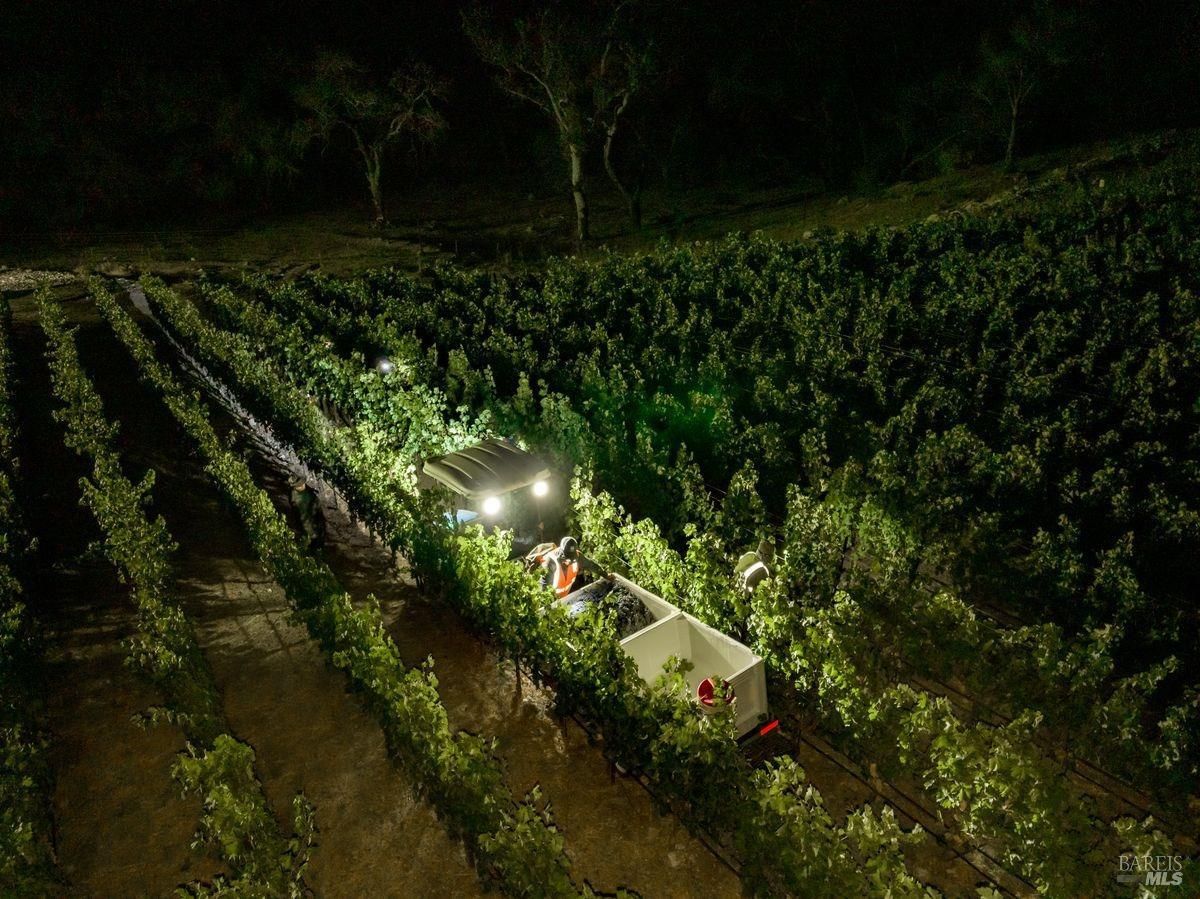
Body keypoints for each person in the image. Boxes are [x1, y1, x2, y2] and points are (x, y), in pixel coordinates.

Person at [289, 476, 327, 552]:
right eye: (300, 484)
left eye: (303, 483)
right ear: (296, 487)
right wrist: (313, 534)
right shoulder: (300, 500)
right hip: (310, 525)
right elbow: (305, 519)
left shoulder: (298, 493)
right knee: (314, 544)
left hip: (313, 517)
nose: (303, 485)